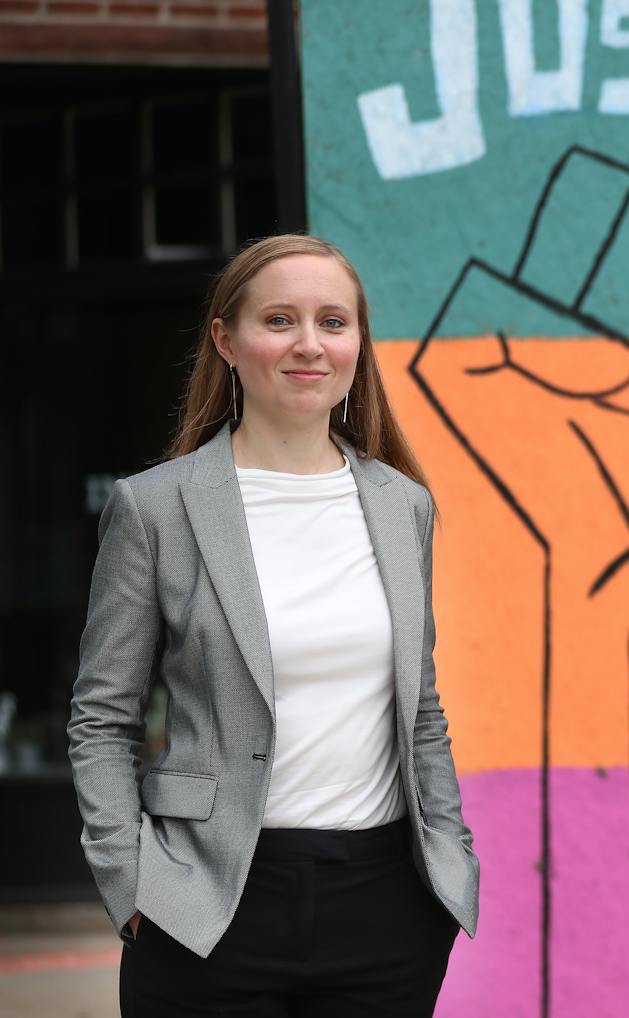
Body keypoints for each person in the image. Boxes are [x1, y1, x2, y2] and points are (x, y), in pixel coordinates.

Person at [68, 234, 478, 1016]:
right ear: (226, 339)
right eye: (280, 320)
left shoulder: (403, 506)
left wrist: (450, 861)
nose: (309, 345)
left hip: (386, 906)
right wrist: (129, 881)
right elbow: (102, 717)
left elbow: (421, 709)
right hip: (205, 902)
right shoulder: (155, 507)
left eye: (333, 322)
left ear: (359, 341)